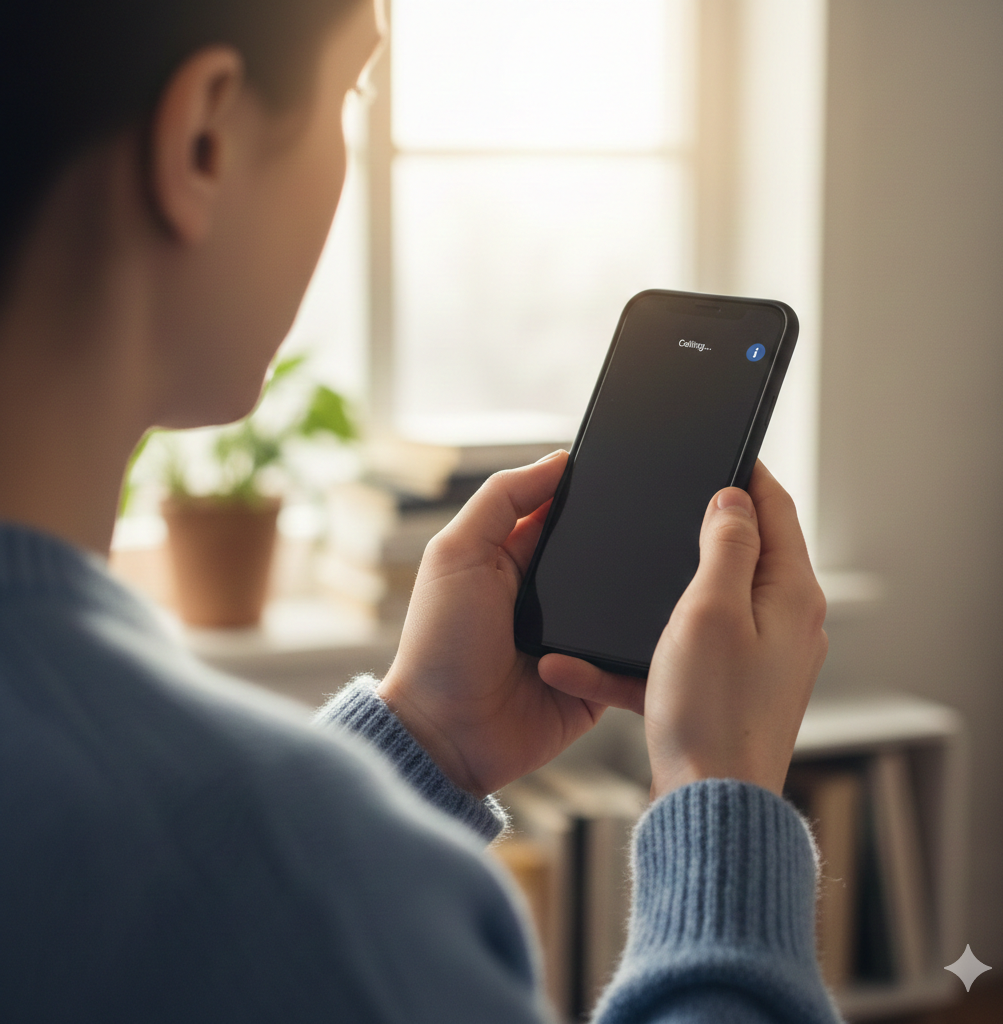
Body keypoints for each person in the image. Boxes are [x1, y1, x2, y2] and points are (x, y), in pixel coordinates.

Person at [0, 0, 836, 1020]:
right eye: (353, 91)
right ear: (203, 140)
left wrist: (425, 736)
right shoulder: (334, 896)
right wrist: (723, 792)